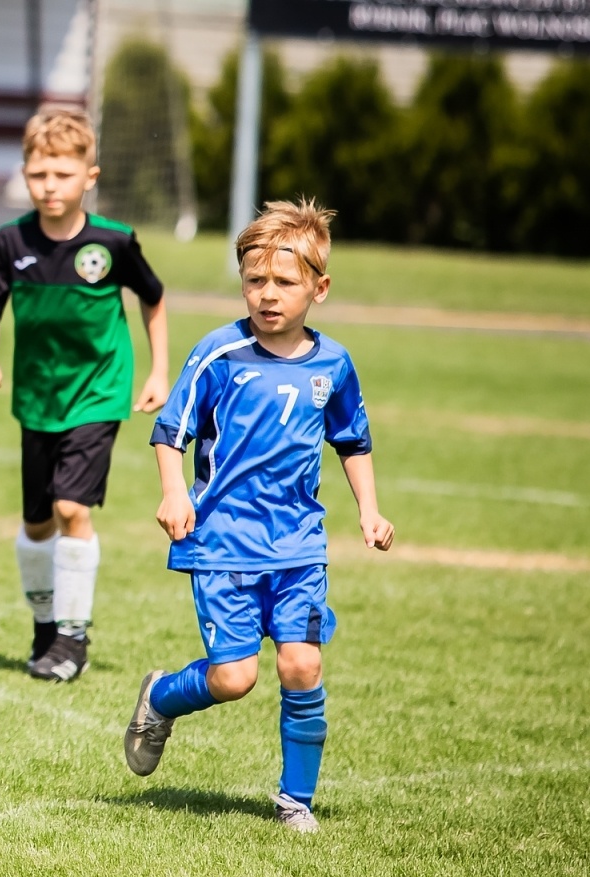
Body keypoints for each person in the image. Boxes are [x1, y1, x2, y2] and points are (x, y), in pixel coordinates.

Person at [124, 199, 395, 834]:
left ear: (319, 288)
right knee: (234, 678)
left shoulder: (333, 365)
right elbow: (172, 432)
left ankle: (294, 800)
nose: (267, 295)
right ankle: (161, 697)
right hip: (222, 545)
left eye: (284, 282)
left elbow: (352, 440)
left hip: (298, 543)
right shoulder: (219, 355)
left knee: (302, 664)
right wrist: (173, 493)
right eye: (255, 281)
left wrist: (370, 512)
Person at [0, 108, 169, 682]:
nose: (50, 185)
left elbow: (152, 299)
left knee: (71, 508)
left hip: (99, 391)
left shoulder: (113, 243)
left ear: (90, 176)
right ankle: (46, 626)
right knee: (36, 524)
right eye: (38, 174)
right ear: (25, 176)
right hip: (36, 398)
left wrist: (158, 373)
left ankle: (73, 639)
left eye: (62, 173)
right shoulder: (9, 243)